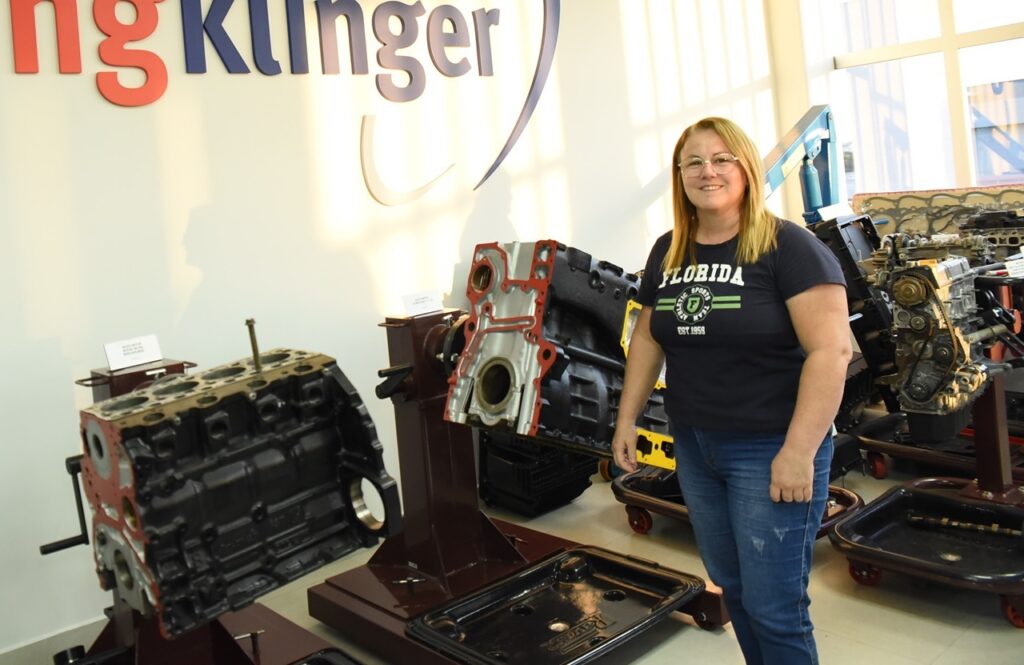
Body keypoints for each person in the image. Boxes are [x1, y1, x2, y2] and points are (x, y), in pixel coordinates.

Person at [611, 116, 851, 665]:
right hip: (696, 445)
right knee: (732, 587)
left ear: (745, 167)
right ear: (679, 176)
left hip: (771, 447)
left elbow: (831, 352)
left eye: (721, 159)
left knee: (775, 605)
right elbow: (649, 337)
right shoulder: (668, 250)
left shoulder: (788, 247)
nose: (707, 171)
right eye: (693, 161)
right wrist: (627, 420)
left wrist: (798, 452)